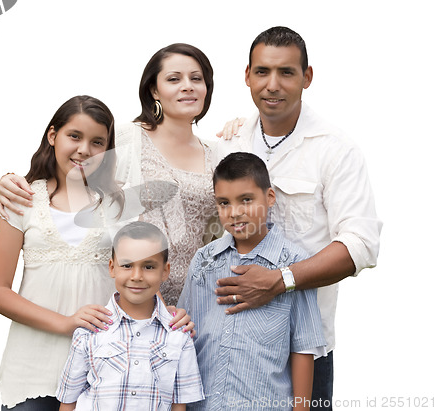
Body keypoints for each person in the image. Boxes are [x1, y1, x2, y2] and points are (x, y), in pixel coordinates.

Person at [0, 96, 192, 410]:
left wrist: (171, 318)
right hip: (31, 369)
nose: (84, 150)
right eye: (74, 136)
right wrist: (65, 323)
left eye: (97, 142)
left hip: (103, 370)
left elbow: (133, 277)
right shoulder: (22, 199)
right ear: (53, 135)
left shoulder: (118, 205)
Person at [214, 27, 382, 409]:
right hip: (230, 340)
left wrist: (279, 281)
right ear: (247, 76)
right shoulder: (228, 142)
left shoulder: (336, 151)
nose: (272, 85)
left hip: (303, 347)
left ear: (307, 77)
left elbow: (361, 245)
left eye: (286, 72)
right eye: (262, 72)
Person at [0, 43, 218, 307]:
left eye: (196, 78)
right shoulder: (126, 138)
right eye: (173, 79)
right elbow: (73, 170)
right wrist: (10, 180)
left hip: (196, 300)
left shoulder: (219, 153)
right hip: (129, 299)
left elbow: (223, 226)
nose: (187, 86)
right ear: (154, 90)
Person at [178, 152, 325, 411]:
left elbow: (303, 348)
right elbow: (184, 336)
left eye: (246, 200)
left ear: (269, 198)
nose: (234, 213)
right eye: (224, 203)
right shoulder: (204, 260)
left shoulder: (295, 264)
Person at [56, 221, 205, 411]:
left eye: (148, 267)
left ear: (165, 271)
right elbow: (68, 401)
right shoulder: (90, 331)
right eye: (127, 265)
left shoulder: (179, 335)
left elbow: (179, 405)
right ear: (112, 268)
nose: (136, 276)